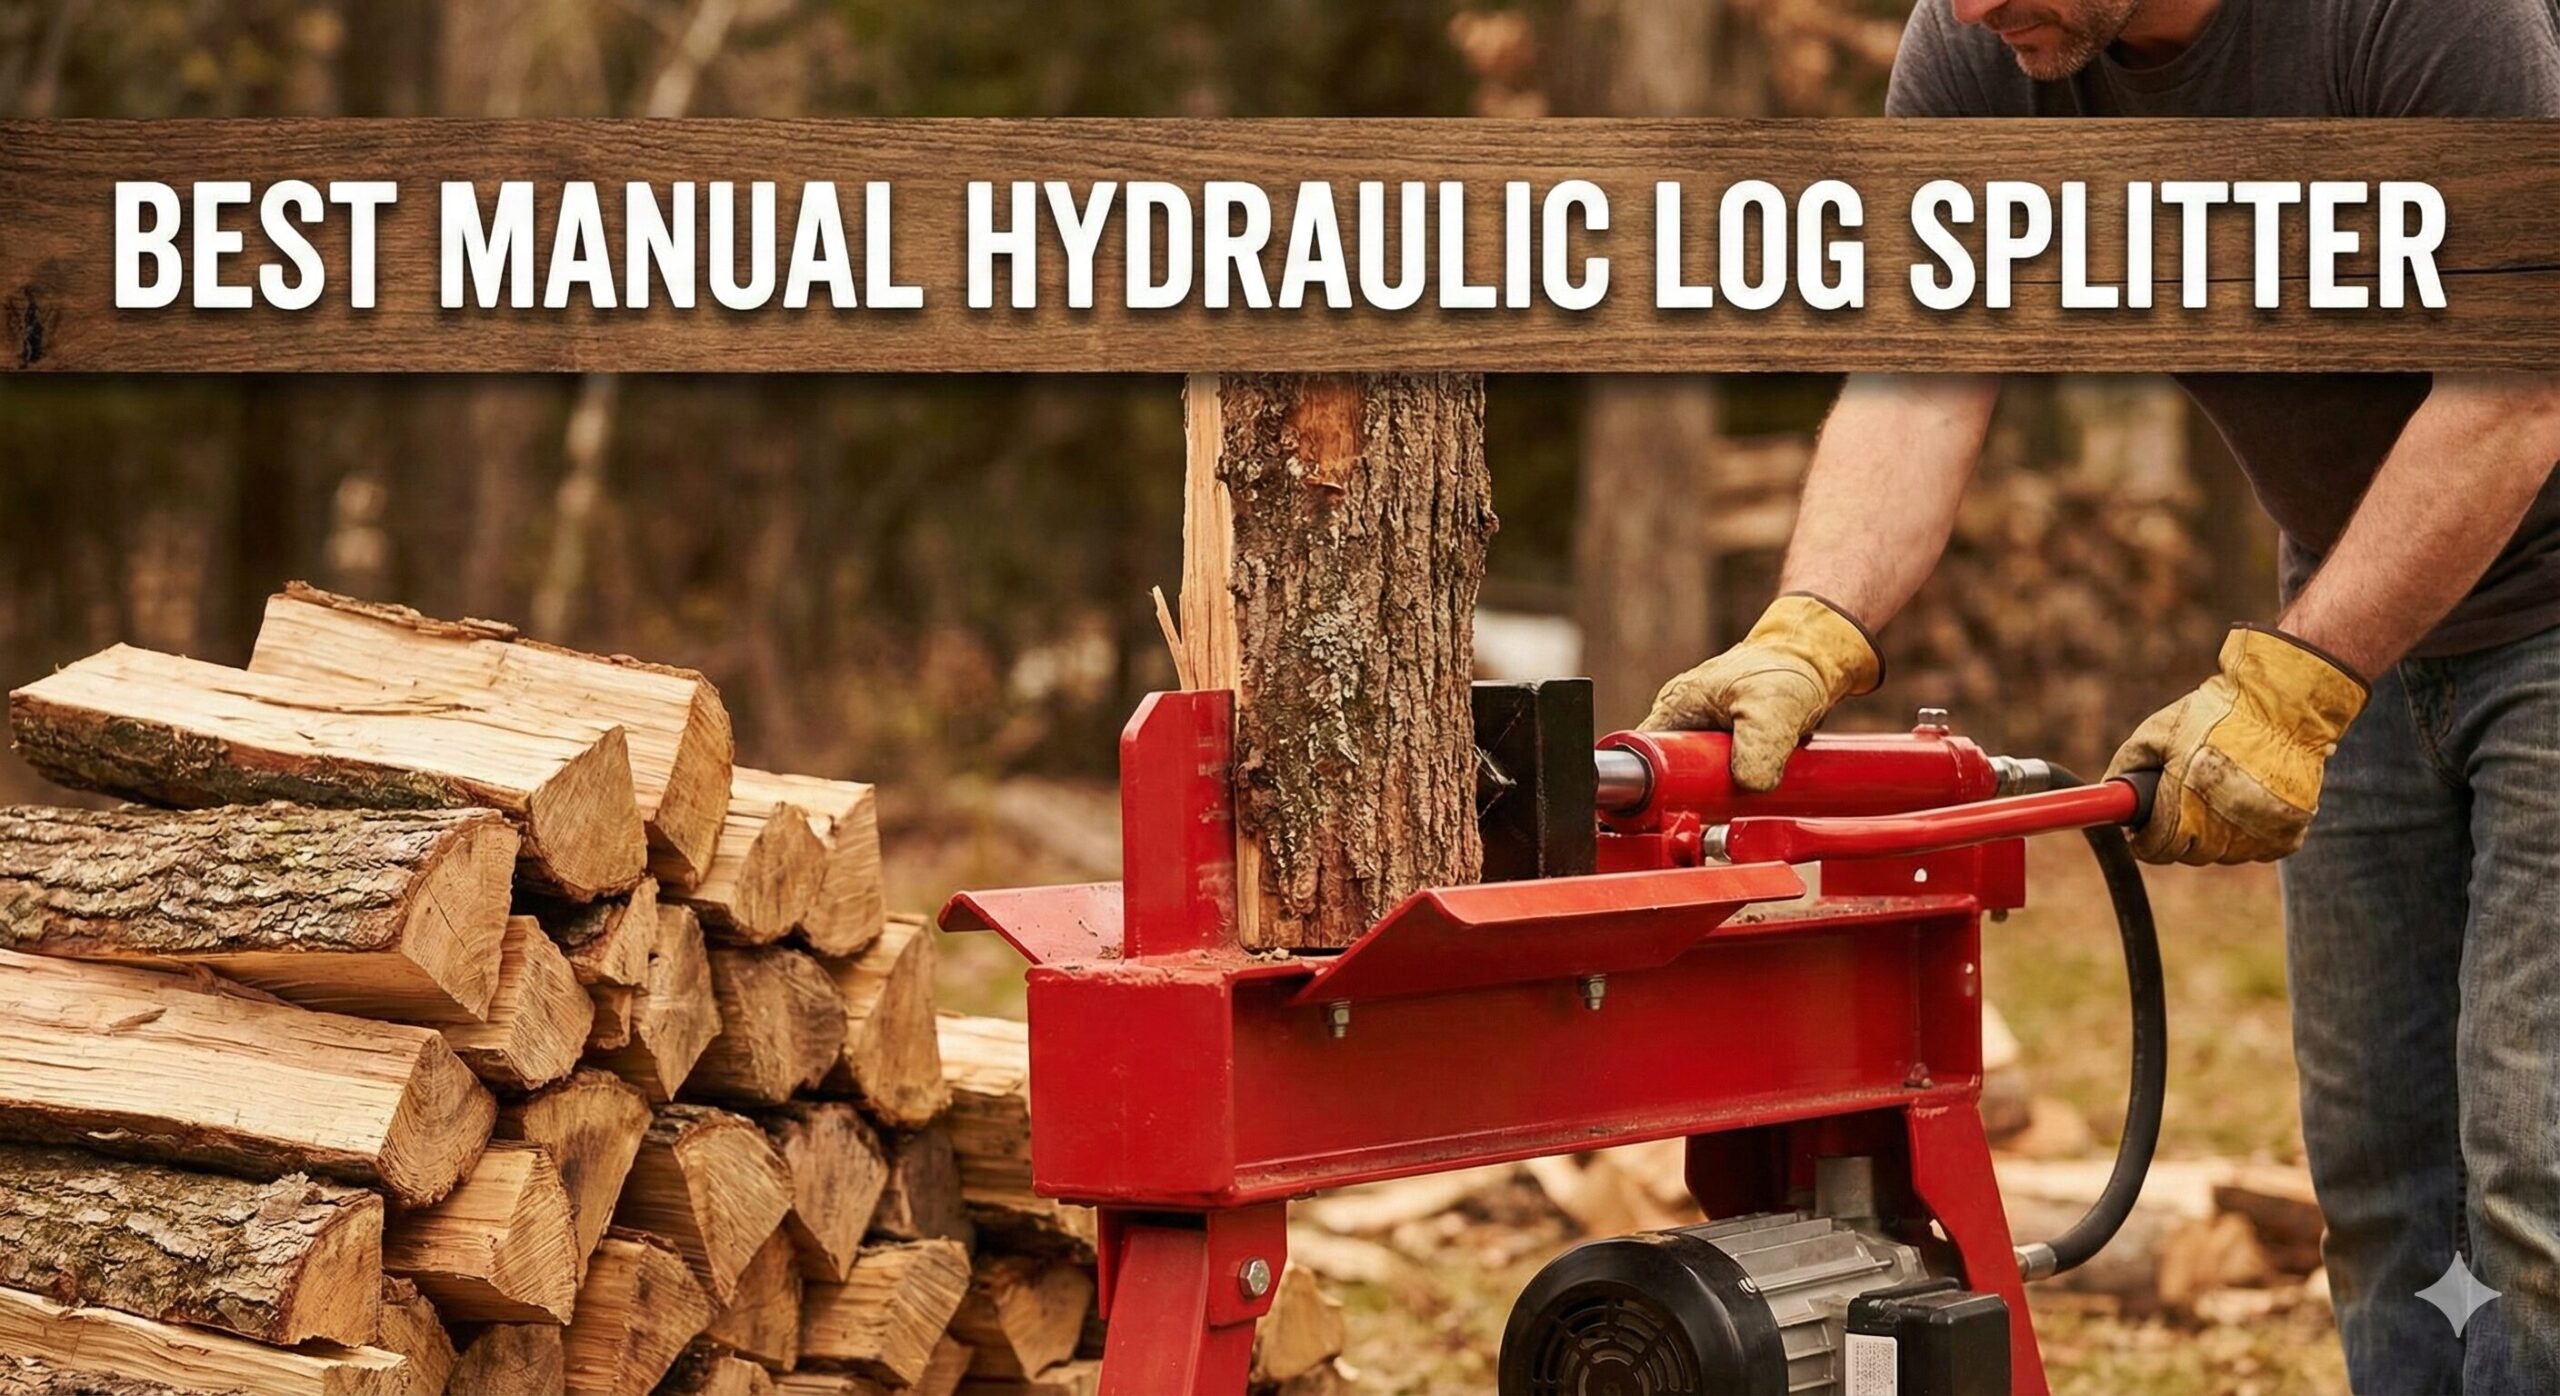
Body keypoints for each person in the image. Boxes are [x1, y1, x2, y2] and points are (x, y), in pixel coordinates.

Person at [1642, 1, 2560, 1389]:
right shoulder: (1983, 47)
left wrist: (2303, 686)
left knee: (2535, 1185)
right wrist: (1809, 629)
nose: (1971, 2)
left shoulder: (2425, 17)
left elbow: (2515, 387)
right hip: (2368, 601)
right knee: (2385, 1189)